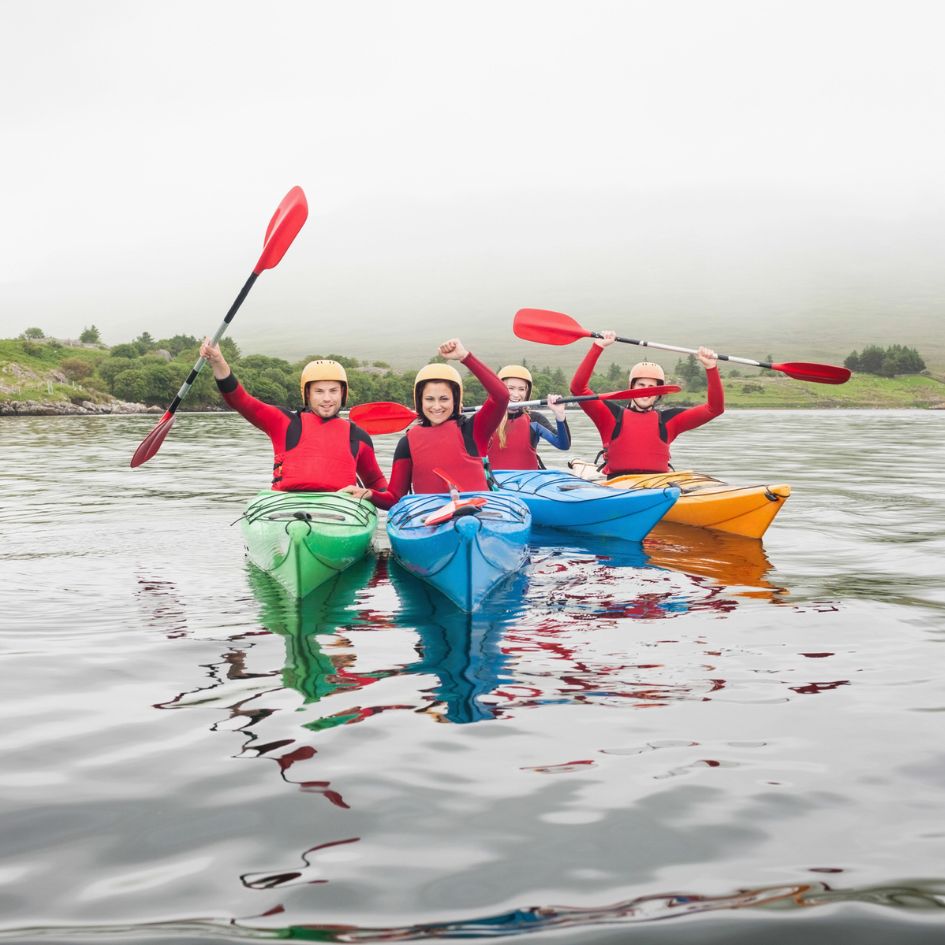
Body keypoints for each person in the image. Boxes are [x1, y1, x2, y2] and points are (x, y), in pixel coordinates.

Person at [199, 339, 388, 494]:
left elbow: (376, 483)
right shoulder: (284, 422)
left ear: (343, 393)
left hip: (341, 513)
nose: (327, 398)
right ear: (307, 394)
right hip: (286, 509)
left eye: (333, 391)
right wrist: (218, 362)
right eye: (319, 391)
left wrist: (378, 496)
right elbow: (240, 400)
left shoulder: (358, 436)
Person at [367, 338, 508, 509]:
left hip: (480, 515)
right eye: (429, 399)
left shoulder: (474, 430)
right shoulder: (407, 443)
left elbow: (501, 396)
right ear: (419, 402)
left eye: (444, 399)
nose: (436, 406)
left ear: (455, 401)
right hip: (429, 518)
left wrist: (465, 357)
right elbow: (395, 498)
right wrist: (369, 494)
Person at [569, 331, 723, 475]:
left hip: (657, 486)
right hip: (616, 485)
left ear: (658, 393)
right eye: (641, 385)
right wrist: (598, 346)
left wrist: (711, 367)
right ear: (631, 387)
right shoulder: (610, 415)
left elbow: (714, 409)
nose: (645, 391)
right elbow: (578, 389)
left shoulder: (670, 420)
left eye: (651, 387)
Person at [486, 365, 570, 470]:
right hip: (494, 479)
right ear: (498, 390)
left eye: (521, 389)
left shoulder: (534, 419)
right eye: (510, 388)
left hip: (529, 478)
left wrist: (560, 415)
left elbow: (563, 445)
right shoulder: (484, 419)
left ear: (527, 392)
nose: (516, 395)